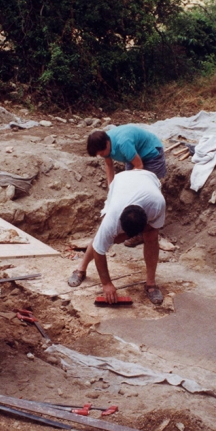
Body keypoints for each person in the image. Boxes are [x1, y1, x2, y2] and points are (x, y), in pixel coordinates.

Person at [67, 169, 166, 305]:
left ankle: (151, 284)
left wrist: (136, 234)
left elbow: (153, 228)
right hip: (121, 181)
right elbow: (99, 250)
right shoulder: (112, 220)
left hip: (148, 180)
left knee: (151, 237)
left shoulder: (157, 204)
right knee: (101, 237)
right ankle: (81, 268)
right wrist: (106, 284)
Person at [87, 125, 167, 185]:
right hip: (132, 155)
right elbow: (109, 165)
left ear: (107, 143)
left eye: (101, 153)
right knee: (130, 186)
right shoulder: (103, 143)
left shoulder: (123, 143)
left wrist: (127, 181)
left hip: (151, 153)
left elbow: (139, 166)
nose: (101, 156)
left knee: (151, 184)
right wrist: (111, 187)